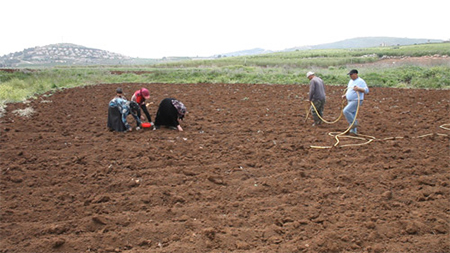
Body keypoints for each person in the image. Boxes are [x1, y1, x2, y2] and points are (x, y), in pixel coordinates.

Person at [342, 69, 369, 135]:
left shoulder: (361, 81)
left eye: (351, 74)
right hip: (350, 100)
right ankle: (353, 131)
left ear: (355, 74)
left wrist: (359, 89)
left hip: (356, 100)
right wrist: (346, 95)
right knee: (353, 115)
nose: (350, 76)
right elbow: (350, 90)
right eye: (350, 75)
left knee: (346, 111)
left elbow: (367, 91)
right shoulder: (351, 81)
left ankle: (354, 123)